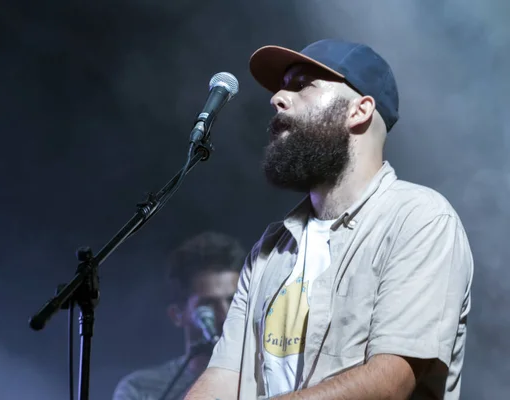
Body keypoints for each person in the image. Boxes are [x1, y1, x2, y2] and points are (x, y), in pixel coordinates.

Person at [184, 39, 474, 400]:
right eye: (282, 87)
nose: (278, 98)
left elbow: (389, 382)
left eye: (302, 84)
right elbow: (224, 377)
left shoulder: (420, 220)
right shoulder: (270, 250)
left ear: (359, 110)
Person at [112, 231, 246, 400]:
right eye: (208, 305)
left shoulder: (271, 381)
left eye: (233, 300)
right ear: (177, 315)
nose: (225, 316)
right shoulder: (141, 389)